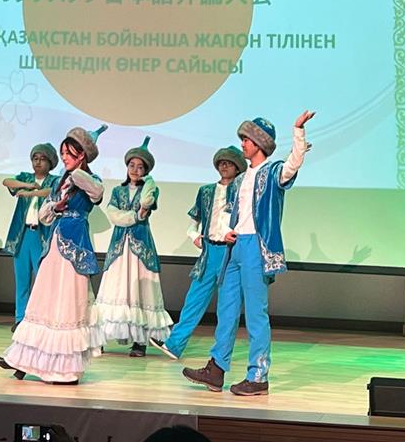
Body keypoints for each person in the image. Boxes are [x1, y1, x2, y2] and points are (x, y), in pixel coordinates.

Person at [183, 112, 315, 396]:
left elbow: (293, 164)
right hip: (235, 247)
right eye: (242, 138)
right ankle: (216, 369)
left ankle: (258, 375)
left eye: (246, 139)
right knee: (226, 310)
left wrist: (298, 131)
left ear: (260, 143)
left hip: (257, 246)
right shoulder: (241, 178)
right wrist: (227, 231)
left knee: (256, 313)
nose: (242, 143)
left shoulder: (273, 171)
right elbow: (234, 212)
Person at [0, 124, 108, 384]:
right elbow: (45, 215)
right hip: (54, 245)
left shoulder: (88, 179)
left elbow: (97, 193)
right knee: (43, 300)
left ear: (81, 155)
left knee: (67, 303)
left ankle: (65, 369)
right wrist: (55, 206)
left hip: (75, 248)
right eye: (63, 153)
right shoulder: (59, 181)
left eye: (68, 153)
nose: (64, 158)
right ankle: (21, 359)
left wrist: (76, 172)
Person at [150, 145, 246, 360]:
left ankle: (221, 354)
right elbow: (193, 223)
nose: (224, 166)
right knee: (194, 300)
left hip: (230, 252)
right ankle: (174, 344)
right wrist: (194, 236)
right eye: (221, 163)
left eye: (229, 163)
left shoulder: (243, 191)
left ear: (238, 167)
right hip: (209, 251)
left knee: (227, 306)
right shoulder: (206, 191)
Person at [96, 137, 172, 357]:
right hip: (119, 246)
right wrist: (134, 216)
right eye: (132, 165)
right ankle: (100, 337)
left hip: (140, 246)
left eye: (140, 167)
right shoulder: (117, 191)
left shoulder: (150, 189)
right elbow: (113, 215)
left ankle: (140, 341)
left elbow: (146, 204)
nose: (135, 170)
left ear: (146, 171)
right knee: (115, 288)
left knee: (140, 290)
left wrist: (149, 181)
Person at [1, 143, 59, 332]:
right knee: (22, 279)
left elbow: (51, 192)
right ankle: (20, 319)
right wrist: (28, 185)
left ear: (50, 162)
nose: (38, 162)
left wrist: (31, 193)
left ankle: (42, 317)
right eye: (35, 158)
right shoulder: (25, 178)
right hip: (23, 235)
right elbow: (7, 182)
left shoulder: (54, 180)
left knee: (43, 280)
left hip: (41, 236)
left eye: (42, 159)